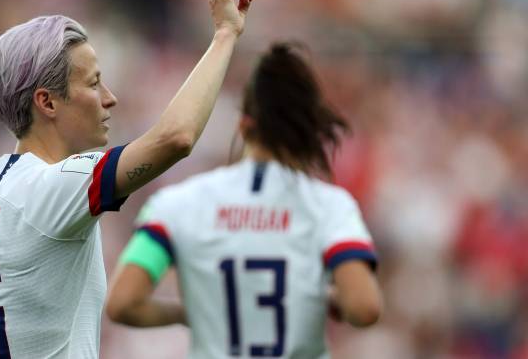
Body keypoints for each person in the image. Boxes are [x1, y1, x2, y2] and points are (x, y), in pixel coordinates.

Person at [0, 0, 253, 357]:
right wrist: (225, 34)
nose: (110, 98)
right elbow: (176, 137)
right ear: (47, 102)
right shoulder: (55, 186)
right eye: (93, 83)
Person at [106, 43, 383, 358]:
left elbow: (122, 303)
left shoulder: (176, 204)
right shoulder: (330, 206)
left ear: (244, 125)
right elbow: (364, 308)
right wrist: (325, 297)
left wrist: (193, 313)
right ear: (311, 130)